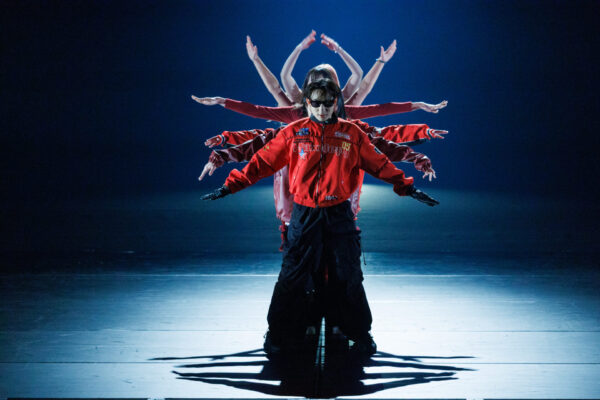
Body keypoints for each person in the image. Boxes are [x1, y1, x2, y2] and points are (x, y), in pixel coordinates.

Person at [201, 79, 439, 356]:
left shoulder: (351, 133)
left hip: (339, 214)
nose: (322, 109)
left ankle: (359, 333)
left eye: (327, 103)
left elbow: (379, 163)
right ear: (307, 103)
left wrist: (407, 187)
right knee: (292, 275)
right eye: (316, 103)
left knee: (349, 274)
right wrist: (230, 187)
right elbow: (262, 163)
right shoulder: (293, 133)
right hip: (304, 215)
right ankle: (277, 333)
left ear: (336, 103)